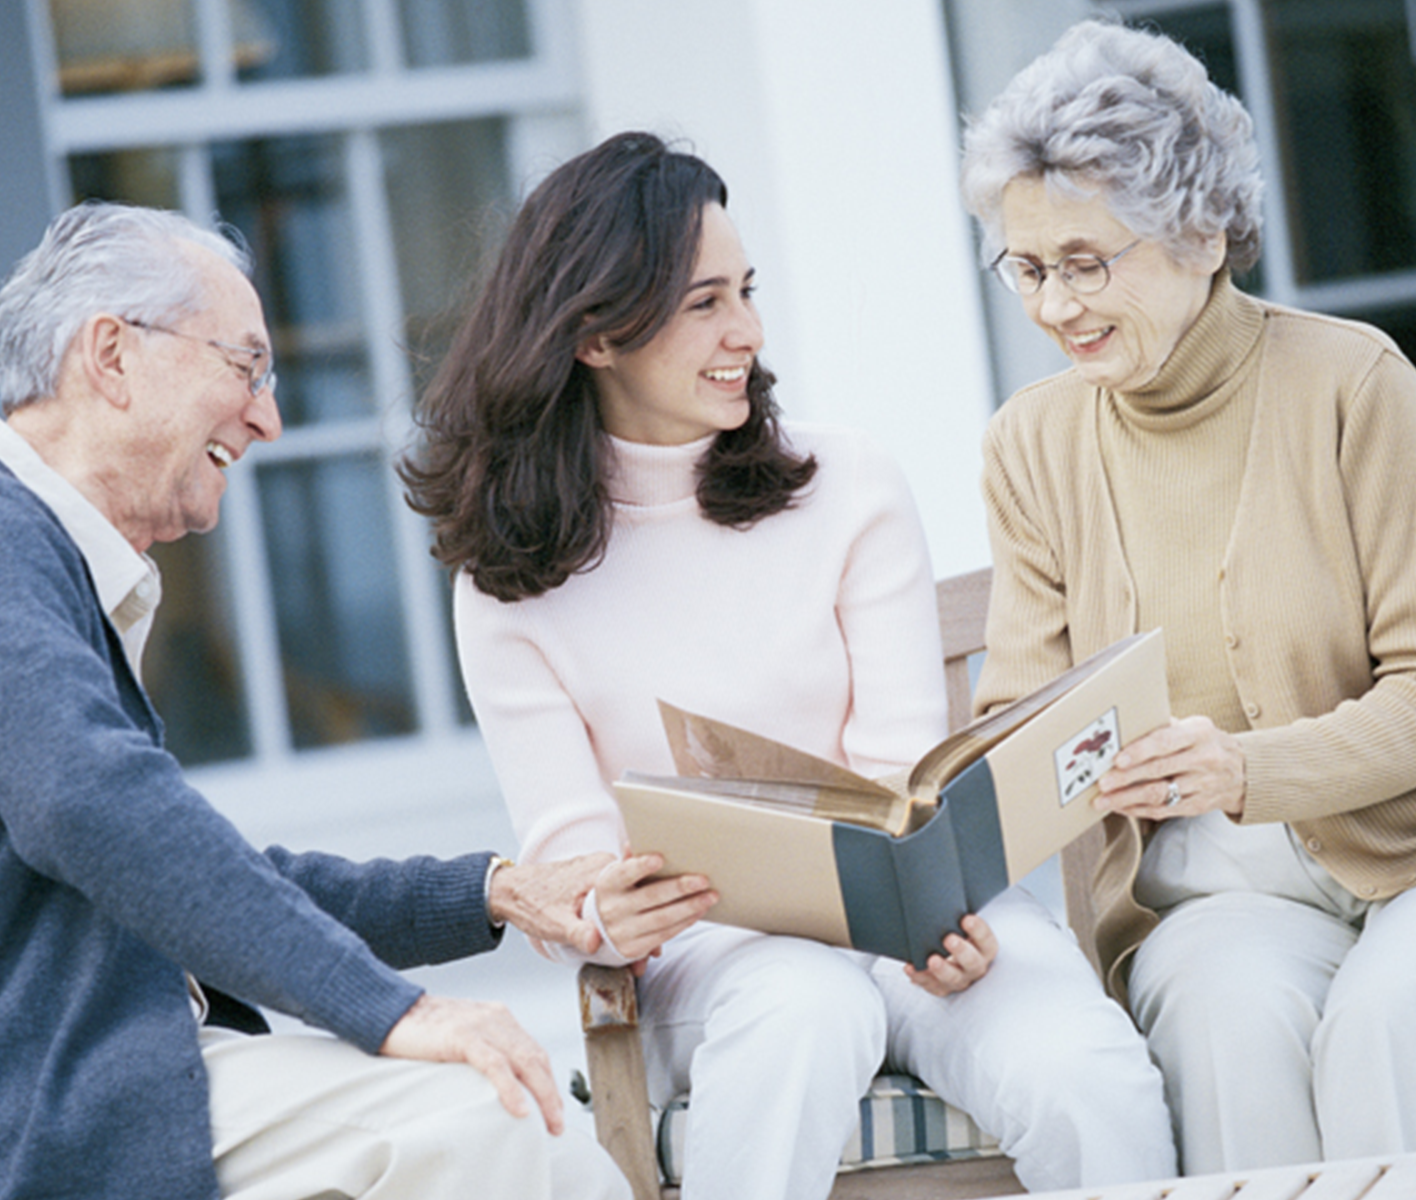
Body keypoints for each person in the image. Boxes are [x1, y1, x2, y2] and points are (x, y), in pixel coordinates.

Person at [401, 130, 1174, 1197]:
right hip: (705, 955)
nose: (748, 333)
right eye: (704, 302)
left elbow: (902, 770)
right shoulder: (507, 581)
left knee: (1088, 1076)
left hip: (916, 926)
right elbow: (573, 848)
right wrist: (596, 912)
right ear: (596, 335)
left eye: (747, 291)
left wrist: (936, 914)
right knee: (807, 1006)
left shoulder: (845, 483)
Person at [0, 200, 630, 1200]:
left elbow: (196, 872)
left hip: (124, 1083)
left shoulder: (22, 546)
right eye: (244, 367)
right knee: (512, 1127)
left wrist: (487, 890)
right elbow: (91, 804)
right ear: (110, 356)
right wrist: (393, 1011)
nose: (269, 416)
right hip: (55, 1118)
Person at [961, 17, 1416, 1176]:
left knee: (1387, 1024)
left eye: (1086, 262)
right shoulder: (1032, 444)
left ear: (1205, 233)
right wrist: (1050, 769)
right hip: (1213, 890)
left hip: (1405, 856)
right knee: (1224, 1020)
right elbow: (1019, 726)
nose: (1055, 306)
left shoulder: (1355, 383)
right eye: (1027, 268)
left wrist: (1252, 770)